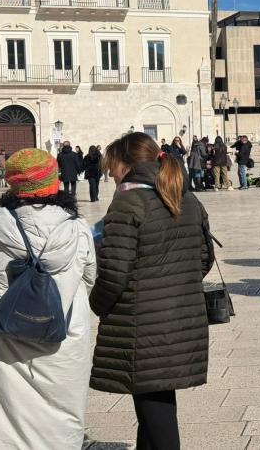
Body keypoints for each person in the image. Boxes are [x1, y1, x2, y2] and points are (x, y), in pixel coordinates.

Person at [89, 132, 214, 450]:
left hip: (141, 323)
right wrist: (174, 286)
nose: (110, 174)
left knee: (155, 410)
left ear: (127, 164)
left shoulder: (129, 201)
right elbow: (204, 259)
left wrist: (98, 304)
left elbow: (114, 273)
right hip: (183, 318)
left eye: (112, 166)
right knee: (155, 402)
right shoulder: (187, 198)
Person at [0, 148, 96, 449]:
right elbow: (90, 278)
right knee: (62, 416)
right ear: (54, 182)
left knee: (7, 420)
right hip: (64, 336)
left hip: (6, 338)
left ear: (13, 184)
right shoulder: (76, 228)